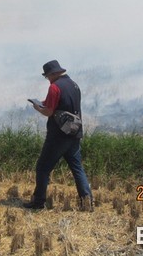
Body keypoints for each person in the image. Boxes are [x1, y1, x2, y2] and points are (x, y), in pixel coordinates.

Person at [23, 60, 94, 211]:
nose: (48, 79)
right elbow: (63, 104)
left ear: (54, 73)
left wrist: (37, 107)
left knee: (42, 168)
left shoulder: (54, 87)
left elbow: (49, 111)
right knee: (77, 168)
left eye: (48, 76)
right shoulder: (74, 85)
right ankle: (87, 201)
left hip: (58, 136)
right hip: (74, 133)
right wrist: (46, 103)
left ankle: (38, 202)